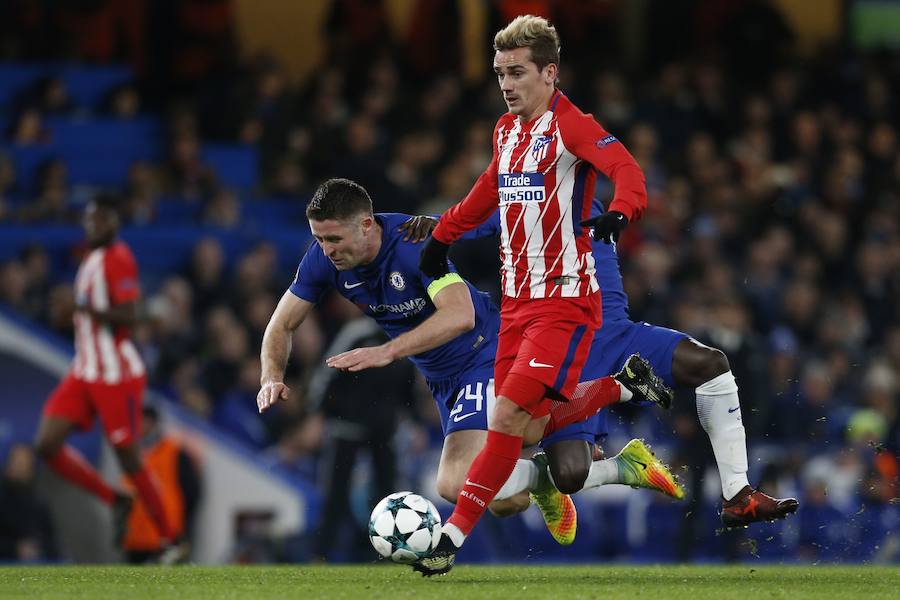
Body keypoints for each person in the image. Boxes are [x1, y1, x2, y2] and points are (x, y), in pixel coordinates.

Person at [256, 178, 678, 548]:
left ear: (366, 224)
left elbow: (460, 315)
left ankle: (617, 389)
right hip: (444, 379)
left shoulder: (412, 245)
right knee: (505, 502)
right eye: (320, 240)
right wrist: (271, 377)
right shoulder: (322, 259)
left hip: (484, 353)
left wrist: (387, 352)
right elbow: (281, 323)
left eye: (334, 240)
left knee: (455, 483)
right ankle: (609, 463)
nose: (326, 251)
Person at [404, 199, 801, 533]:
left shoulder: (595, 201)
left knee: (711, 363)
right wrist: (440, 226)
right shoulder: (524, 204)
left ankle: (738, 494)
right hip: (565, 345)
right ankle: (602, 468)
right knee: (570, 475)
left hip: (616, 330)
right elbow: (478, 221)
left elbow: (631, 190)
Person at [415, 15, 649, 575]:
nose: (506, 84)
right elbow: (488, 189)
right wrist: (442, 236)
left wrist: (621, 213)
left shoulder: (573, 126)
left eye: (517, 73)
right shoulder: (506, 130)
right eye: (500, 73)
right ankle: (619, 387)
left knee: (506, 415)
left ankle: (449, 542)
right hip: (514, 304)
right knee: (524, 427)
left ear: (550, 72)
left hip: (565, 302)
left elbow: (627, 169)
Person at [32, 194, 183, 560]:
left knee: (128, 457)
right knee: (46, 444)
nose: (92, 227)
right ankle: (115, 498)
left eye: (100, 220)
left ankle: (171, 539)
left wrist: (79, 307)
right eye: (89, 220)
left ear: (115, 222)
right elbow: (91, 316)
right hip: (85, 369)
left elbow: (129, 315)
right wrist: (66, 315)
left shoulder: (119, 258)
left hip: (115, 373)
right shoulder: (91, 259)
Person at [121, 404, 200, 564]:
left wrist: (183, 527)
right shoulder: (130, 452)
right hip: (135, 536)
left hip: (166, 534)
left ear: (152, 422)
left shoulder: (174, 451)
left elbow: (192, 492)